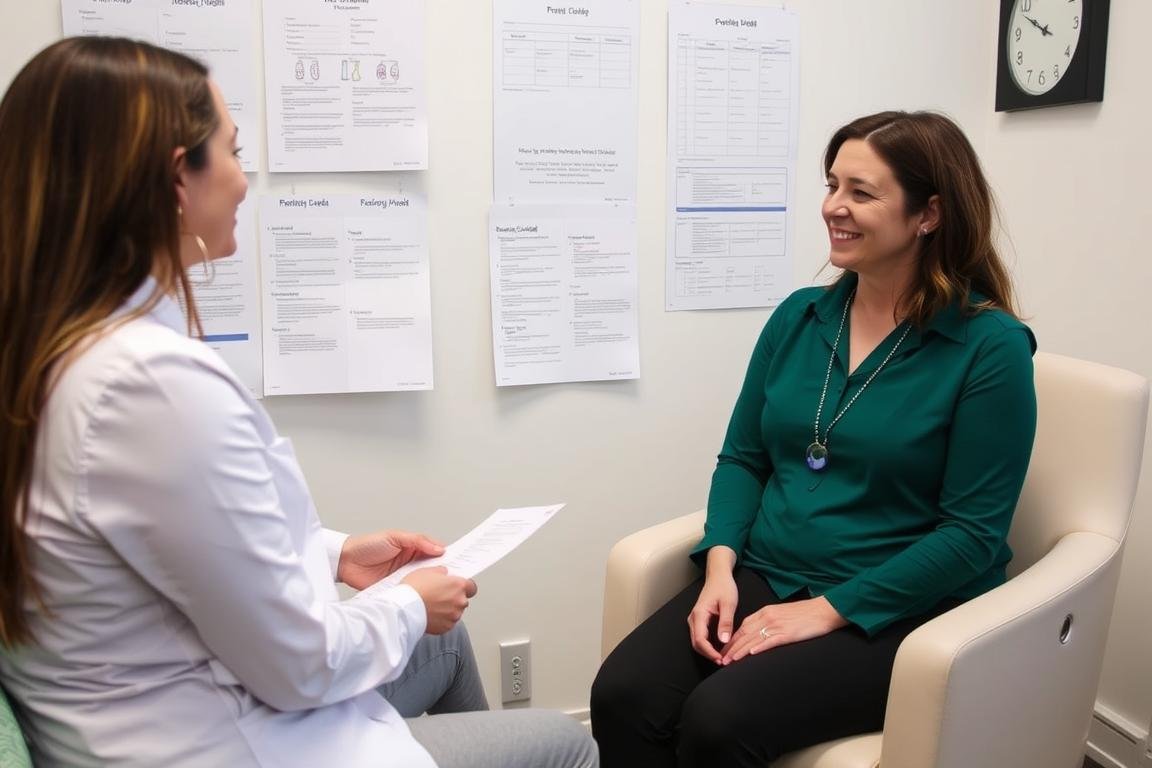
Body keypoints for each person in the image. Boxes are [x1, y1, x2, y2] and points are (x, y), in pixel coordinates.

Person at [0, 37, 597, 768]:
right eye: (231, 151)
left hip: (170, 703)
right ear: (174, 180)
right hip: (220, 742)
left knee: (445, 638)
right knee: (565, 744)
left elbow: (179, 538)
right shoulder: (150, 389)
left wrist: (338, 553)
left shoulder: (53, 355)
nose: (245, 182)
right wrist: (408, 605)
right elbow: (301, 666)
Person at [590, 110, 1037, 767]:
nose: (834, 207)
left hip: (896, 605)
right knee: (622, 694)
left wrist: (829, 610)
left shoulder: (988, 348)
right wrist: (721, 567)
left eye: (861, 191)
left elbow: (972, 534)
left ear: (929, 214)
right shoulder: (799, 317)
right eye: (831, 185)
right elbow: (744, 458)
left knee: (719, 721)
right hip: (769, 573)